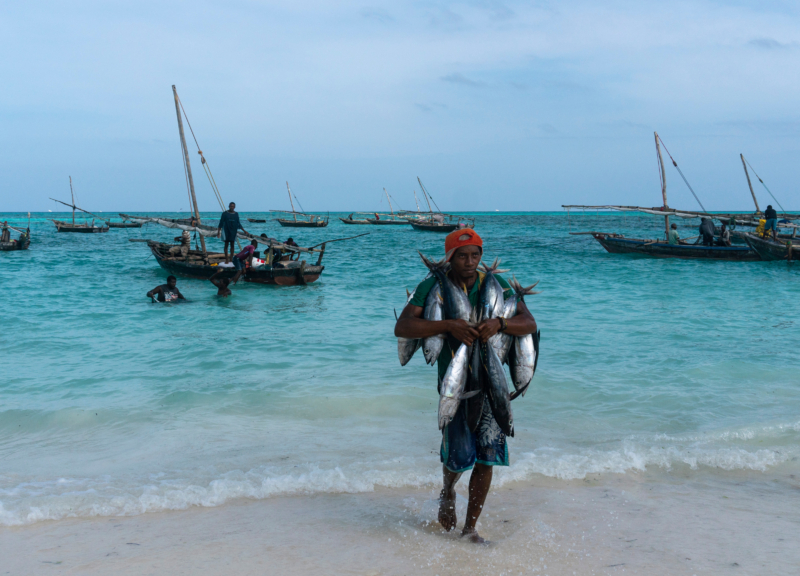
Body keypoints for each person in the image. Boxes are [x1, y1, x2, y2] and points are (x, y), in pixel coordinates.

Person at [394, 229, 537, 544]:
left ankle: (471, 528)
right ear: (450, 257)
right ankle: (448, 491)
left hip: (491, 384)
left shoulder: (493, 285)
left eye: (475, 255)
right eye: (462, 256)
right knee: (458, 456)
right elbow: (402, 326)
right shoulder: (432, 286)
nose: (469, 262)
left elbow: (529, 323)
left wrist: (499, 324)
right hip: (455, 386)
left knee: (487, 456)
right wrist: (448, 325)